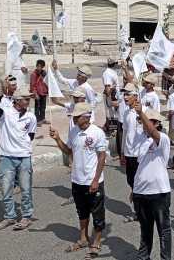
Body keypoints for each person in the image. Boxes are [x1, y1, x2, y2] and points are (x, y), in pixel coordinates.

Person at [49, 102, 107, 258]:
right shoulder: (73, 131)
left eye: (77, 117)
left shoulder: (97, 133)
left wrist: (95, 180)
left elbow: (102, 157)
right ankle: (83, 238)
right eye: (73, 117)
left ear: (86, 116)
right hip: (77, 180)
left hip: (92, 181)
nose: (74, 119)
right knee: (81, 211)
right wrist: (57, 139)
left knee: (97, 213)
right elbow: (69, 151)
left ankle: (97, 241)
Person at [0, 87, 37, 231]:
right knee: (6, 189)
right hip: (6, 157)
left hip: (24, 157)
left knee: (26, 189)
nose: (28, 101)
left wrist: (20, 145)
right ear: (17, 100)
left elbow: (31, 135)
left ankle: (26, 216)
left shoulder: (31, 117)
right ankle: (10, 216)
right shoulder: (5, 113)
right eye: (25, 99)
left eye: (29, 99)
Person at [131, 108, 173, 260]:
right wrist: (134, 189)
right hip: (141, 193)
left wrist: (141, 113)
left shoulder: (162, 138)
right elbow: (141, 166)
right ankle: (143, 257)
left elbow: (154, 133)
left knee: (164, 231)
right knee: (145, 230)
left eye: (147, 122)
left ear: (156, 123)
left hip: (159, 193)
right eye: (142, 122)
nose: (143, 125)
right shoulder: (142, 139)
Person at [120, 83, 143, 222]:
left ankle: (140, 212)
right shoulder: (126, 112)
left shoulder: (142, 112)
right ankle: (138, 208)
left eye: (128, 94)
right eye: (124, 94)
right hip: (129, 153)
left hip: (139, 154)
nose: (125, 97)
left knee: (138, 183)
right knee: (131, 180)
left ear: (136, 96)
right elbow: (125, 133)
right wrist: (122, 151)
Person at [29, 59, 48, 125]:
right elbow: (32, 85)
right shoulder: (33, 74)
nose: (39, 68)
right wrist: (35, 93)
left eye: (41, 66)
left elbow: (46, 82)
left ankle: (43, 118)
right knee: (37, 107)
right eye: (38, 66)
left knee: (43, 107)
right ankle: (37, 120)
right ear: (36, 66)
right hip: (37, 93)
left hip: (44, 92)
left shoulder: (44, 73)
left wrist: (47, 90)